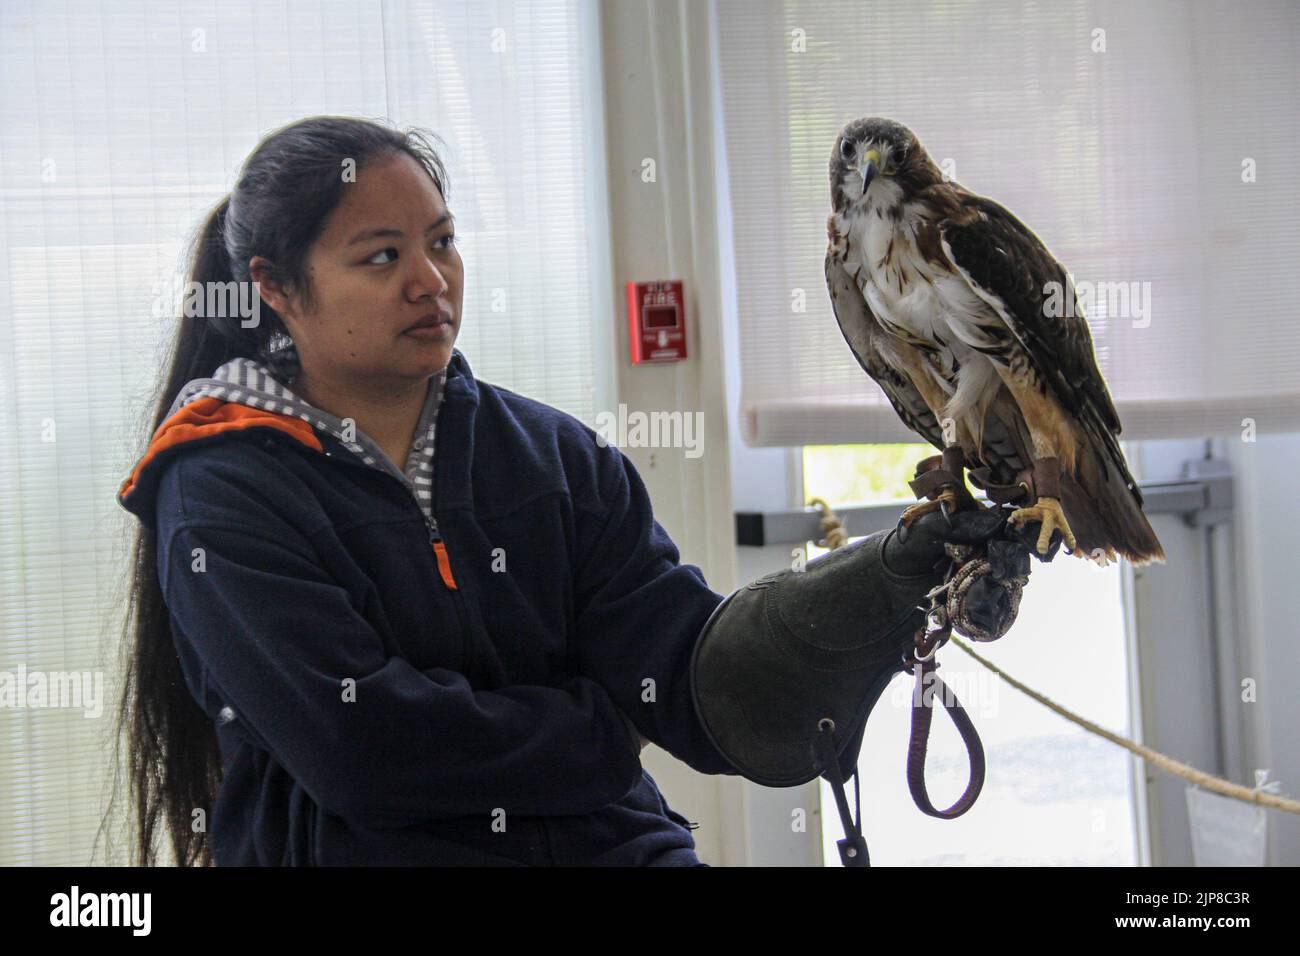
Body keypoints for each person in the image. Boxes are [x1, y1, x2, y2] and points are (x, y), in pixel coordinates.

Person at [111, 115, 1036, 867]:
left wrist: (887, 583)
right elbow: (367, 753)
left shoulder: (548, 455)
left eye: (442, 243)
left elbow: (691, 685)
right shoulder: (219, 488)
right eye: (381, 257)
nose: (430, 281)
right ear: (275, 289)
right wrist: (600, 729)